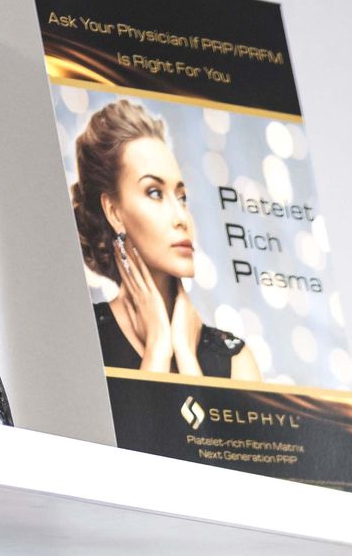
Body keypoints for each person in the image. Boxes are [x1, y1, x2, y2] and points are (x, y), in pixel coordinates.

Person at [69, 98, 261, 381]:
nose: (181, 217)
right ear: (114, 212)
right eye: (155, 193)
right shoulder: (84, 340)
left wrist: (185, 355)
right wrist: (158, 348)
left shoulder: (235, 359)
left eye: (181, 197)